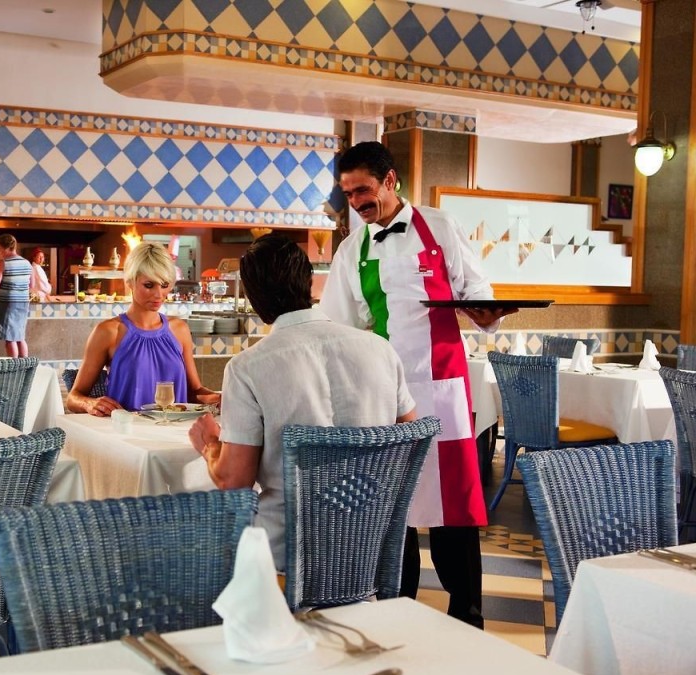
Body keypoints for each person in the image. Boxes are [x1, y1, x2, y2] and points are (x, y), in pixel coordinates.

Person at [319, 141, 516, 628]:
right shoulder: (352, 249)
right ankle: (397, 609)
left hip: (443, 387)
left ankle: (467, 616)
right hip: (385, 392)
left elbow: (477, 290)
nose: (356, 203)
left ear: (390, 181)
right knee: (395, 505)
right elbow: (339, 327)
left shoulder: (440, 226)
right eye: (348, 194)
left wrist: (485, 313)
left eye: (363, 190)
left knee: (455, 506)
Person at [187, 234, 415, 570]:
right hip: (369, 549)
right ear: (309, 282)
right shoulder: (380, 349)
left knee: (195, 549)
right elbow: (408, 440)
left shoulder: (247, 367)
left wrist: (210, 445)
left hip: (283, 558)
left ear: (252, 298)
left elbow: (233, 482)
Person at [67, 242, 220, 415]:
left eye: (164, 285)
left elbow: (194, 392)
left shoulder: (180, 330)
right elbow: (73, 398)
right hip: (127, 428)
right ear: (130, 282)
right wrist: (89, 403)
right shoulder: (108, 332)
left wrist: (219, 398)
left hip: (177, 428)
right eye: (149, 285)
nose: (158, 294)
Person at [0, 234, 33, 358]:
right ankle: (24, 364)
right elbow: (32, 285)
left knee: (10, 337)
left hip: (8, 303)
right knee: (20, 335)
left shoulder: (3, 263)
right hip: (23, 302)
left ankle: (13, 365)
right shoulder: (27, 263)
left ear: (5, 248)